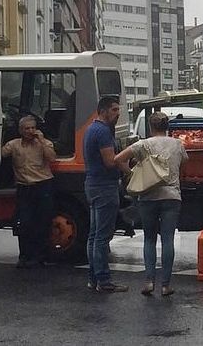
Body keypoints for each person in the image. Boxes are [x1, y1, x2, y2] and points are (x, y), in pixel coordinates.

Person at [114, 112, 187, 297]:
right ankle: (165, 285)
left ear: (150, 126)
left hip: (147, 197)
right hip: (171, 196)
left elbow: (118, 159)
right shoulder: (177, 144)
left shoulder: (143, 144)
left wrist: (131, 174)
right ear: (167, 126)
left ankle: (148, 281)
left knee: (149, 238)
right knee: (168, 239)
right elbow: (184, 162)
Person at [83, 96, 127, 293]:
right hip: (104, 187)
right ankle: (103, 280)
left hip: (92, 185)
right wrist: (129, 158)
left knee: (93, 235)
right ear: (104, 110)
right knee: (102, 237)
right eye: (115, 110)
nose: (118, 114)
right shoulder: (102, 132)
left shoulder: (92, 129)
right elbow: (110, 161)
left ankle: (94, 278)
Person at [2, 116, 57, 269]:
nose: (30, 131)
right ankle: (24, 256)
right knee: (24, 223)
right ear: (20, 130)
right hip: (24, 187)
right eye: (27, 128)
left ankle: (40, 257)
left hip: (43, 185)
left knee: (43, 222)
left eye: (33, 128)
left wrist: (42, 141)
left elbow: (52, 158)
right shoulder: (14, 145)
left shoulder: (44, 144)